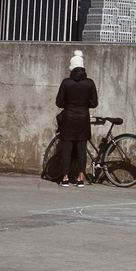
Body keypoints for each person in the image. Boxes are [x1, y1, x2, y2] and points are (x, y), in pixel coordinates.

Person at [55, 49, 98, 187]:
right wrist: (83, 104)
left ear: (71, 67)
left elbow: (59, 103)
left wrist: (69, 103)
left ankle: (65, 178)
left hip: (68, 118)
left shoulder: (66, 82)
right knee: (81, 149)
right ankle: (80, 178)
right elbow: (94, 103)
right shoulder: (90, 83)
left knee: (67, 149)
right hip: (83, 119)